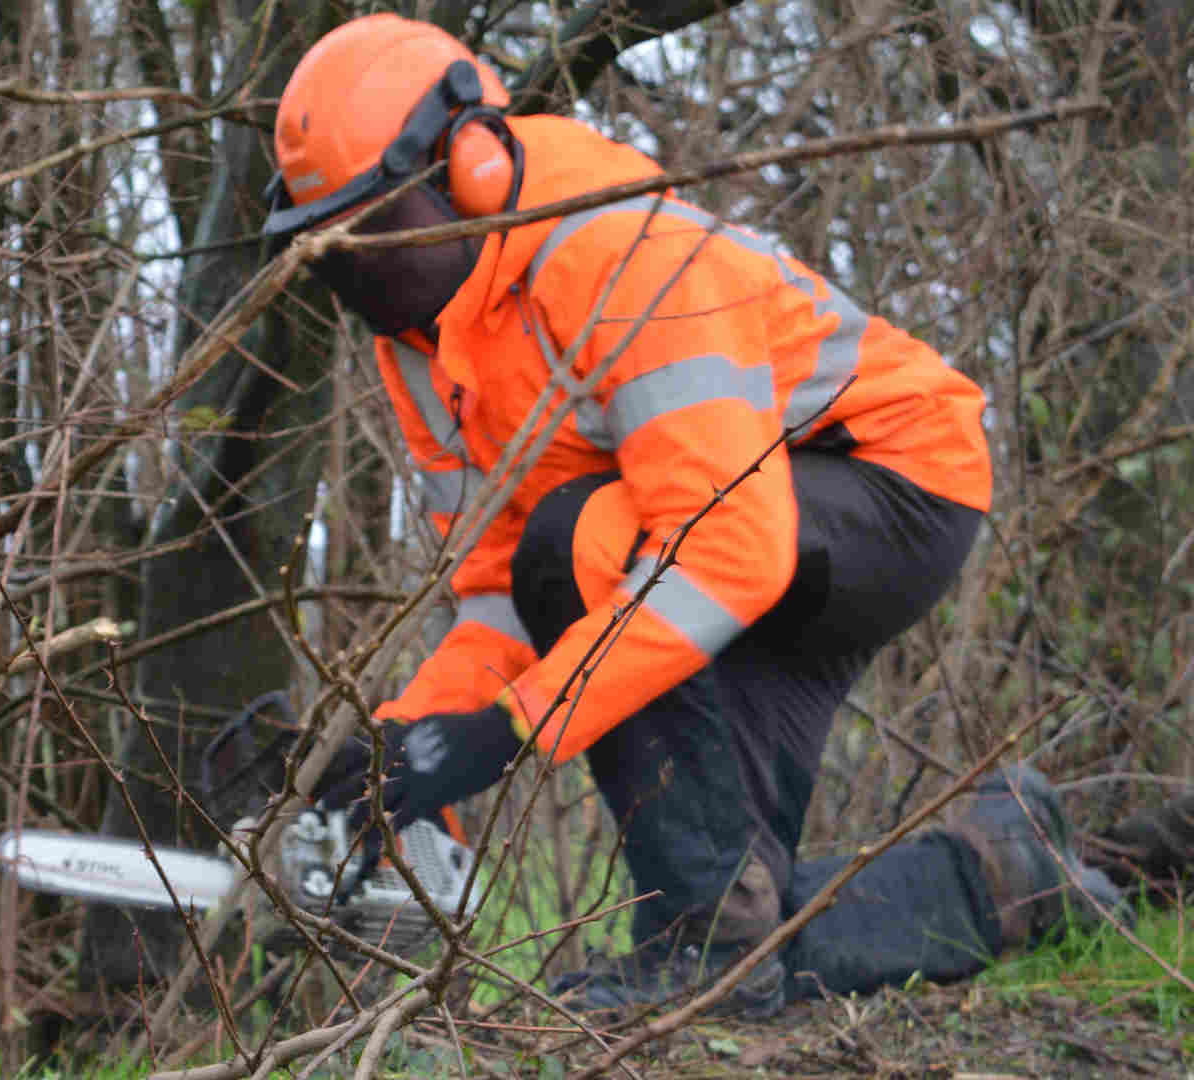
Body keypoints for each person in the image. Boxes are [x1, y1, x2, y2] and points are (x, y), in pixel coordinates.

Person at [265, 14, 1126, 1019]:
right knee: (743, 913)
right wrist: (406, 747)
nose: (357, 279)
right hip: (727, 536)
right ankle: (1006, 870)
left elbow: (726, 547)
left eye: (370, 237)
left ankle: (702, 941)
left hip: (889, 484)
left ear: (470, 166)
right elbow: (497, 590)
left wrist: (514, 725)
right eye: (328, 254)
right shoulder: (424, 349)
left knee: (578, 539)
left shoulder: (618, 247)